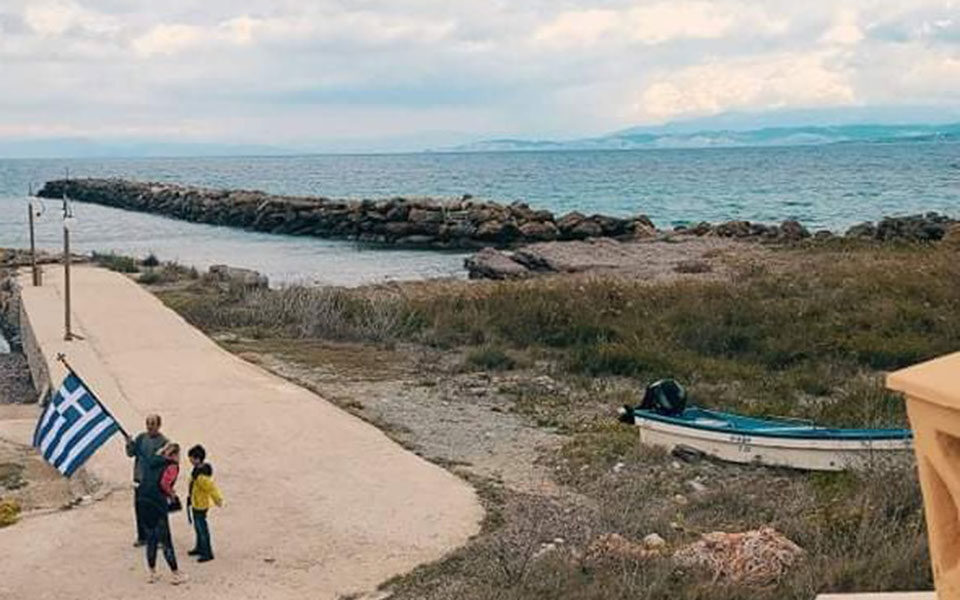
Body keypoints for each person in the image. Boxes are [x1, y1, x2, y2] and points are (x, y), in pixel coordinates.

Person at [135, 441, 187, 585]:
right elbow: (164, 484)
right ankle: (175, 574)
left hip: (142, 500)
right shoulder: (172, 466)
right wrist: (172, 495)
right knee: (165, 539)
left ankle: (152, 573)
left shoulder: (152, 462)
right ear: (175, 455)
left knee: (151, 537)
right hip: (156, 502)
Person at [125, 414, 168, 547]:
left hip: (154, 483)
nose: (150, 426)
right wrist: (128, 443)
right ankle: (142, 536)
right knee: (140, 509)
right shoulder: (141, 438)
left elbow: (165, 462)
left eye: (152, 424)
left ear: (158, 425)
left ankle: (160, 539)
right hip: (140, 480)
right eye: (148, 423)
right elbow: (131, 453)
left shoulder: (164, 442)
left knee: (156, 511)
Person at [186, 444, 224, 562]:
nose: (190, 460)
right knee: (198, 527)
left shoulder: (201, 476)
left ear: (197, 459)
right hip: (196, 503)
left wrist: (218, 500)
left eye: (191, 458)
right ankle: (200, 547)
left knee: (202, 528)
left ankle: (207, 552)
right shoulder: (197, 472)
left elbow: (212, 488)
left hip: (200, 505)